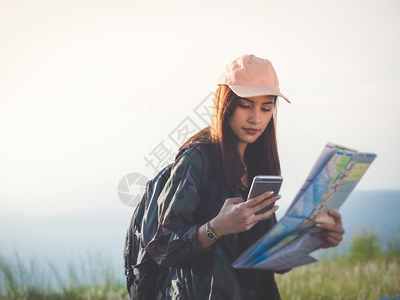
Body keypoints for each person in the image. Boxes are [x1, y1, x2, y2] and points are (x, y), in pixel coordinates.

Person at [146, 54, 345, 299]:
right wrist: (215, 228)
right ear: (226, 105)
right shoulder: (196, 159)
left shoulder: (260, 166)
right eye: (246, 104)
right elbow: (162, 248)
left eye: (266, 107)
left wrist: (315, 238)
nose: (256, 118)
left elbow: (265, 259)